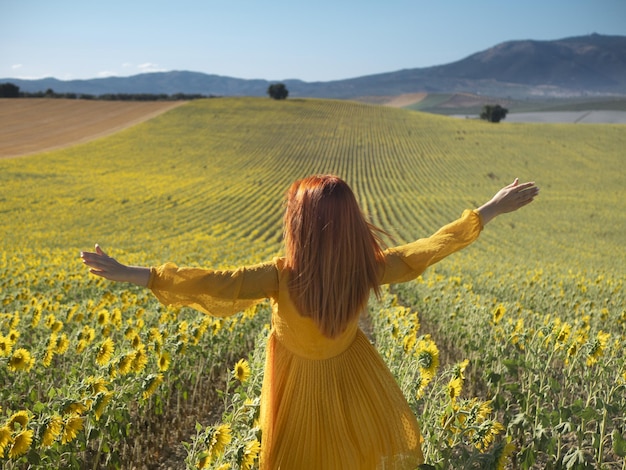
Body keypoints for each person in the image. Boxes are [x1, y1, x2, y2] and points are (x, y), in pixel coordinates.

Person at [81, 175, 538, 469]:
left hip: (296, 379)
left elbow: (214, 283)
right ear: (352, 223)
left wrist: (130, 273)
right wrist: (490, 208)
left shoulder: (280, 275)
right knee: (354, 452)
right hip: (353, 372)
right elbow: (430, 247)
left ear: (300, 225)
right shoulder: (369, 266)